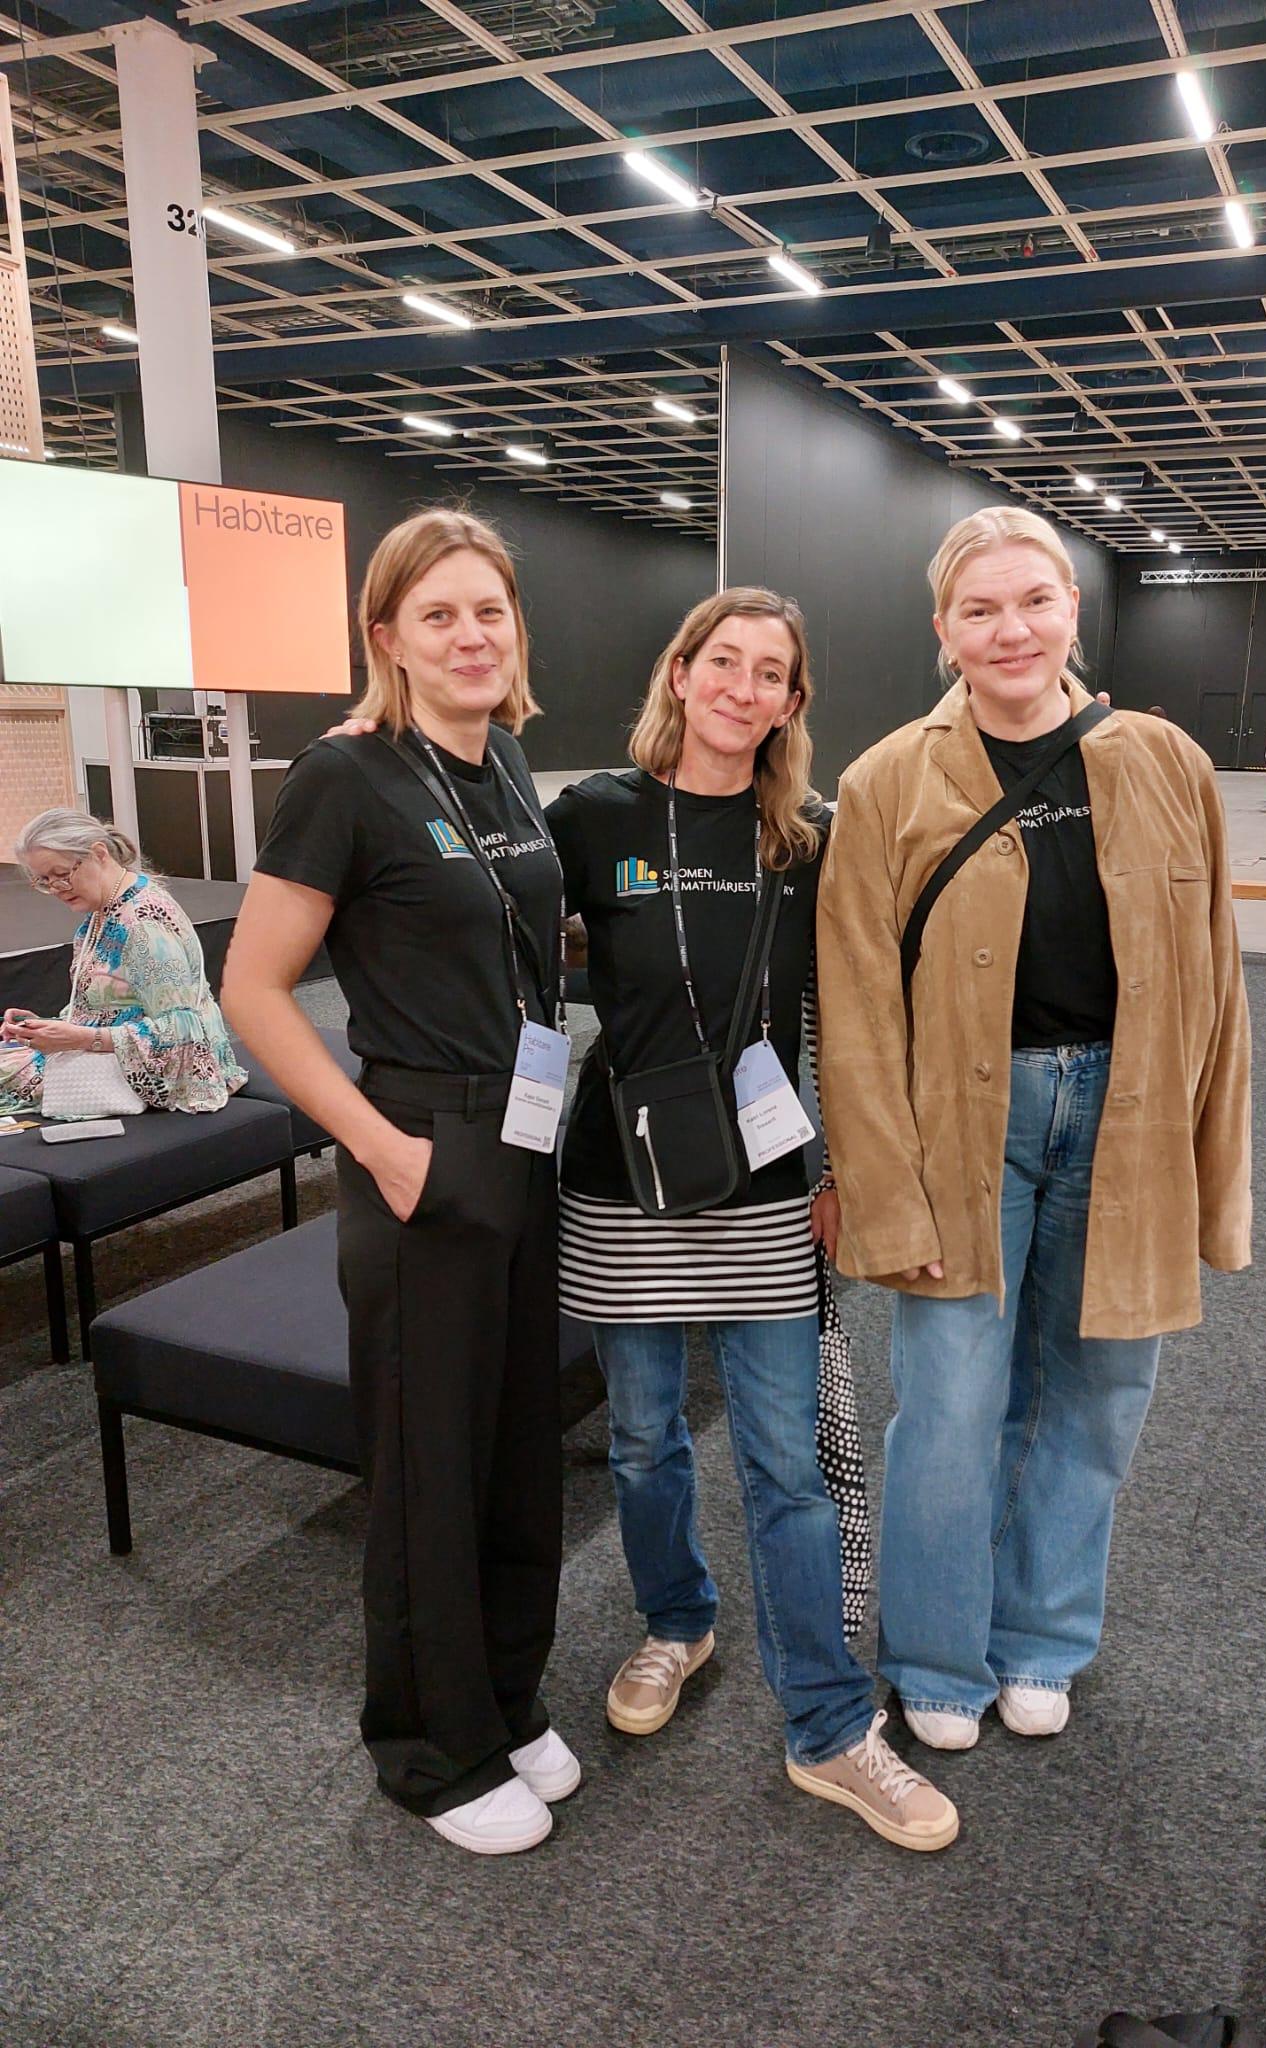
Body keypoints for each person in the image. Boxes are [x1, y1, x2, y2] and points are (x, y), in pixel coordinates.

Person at [817, 505, 1251, 1753]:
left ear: (1072, 610)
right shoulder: (887, 780)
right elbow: (855, 1008)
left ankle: (1044, 1636)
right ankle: (937, 1656)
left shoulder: (1165, 760)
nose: (1011, 629)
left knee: (1099, 1393)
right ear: (943, 629)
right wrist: (882, 1187)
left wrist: (1215, 1165)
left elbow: (1218, 977)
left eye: (1034, 600)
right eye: (980, 608)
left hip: (1130, 1117)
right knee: (952, 1403)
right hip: (963, 1123)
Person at [546, 588, 957, 1853]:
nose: (741, 686)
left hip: (768, 1183)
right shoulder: (595, 814)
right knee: (642, 1439)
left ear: (790, 700)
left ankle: (830, 1724)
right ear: (680, 671)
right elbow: (508, 964)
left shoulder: (805, 836)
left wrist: (844, 1171)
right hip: (623, 1176)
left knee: (786, 1463)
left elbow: (845, 1016)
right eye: (722, 660)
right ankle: (677, 1623)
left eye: (769, 671)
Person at [221, 509, 571, 1857]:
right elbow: (254, 988)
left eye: (490, 610)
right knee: (430, 1467)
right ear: (388, 636)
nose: (472, 635)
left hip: (523, 1137)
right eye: (439, 614)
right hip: (418, 1141)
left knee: (516, 1447)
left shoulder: (503, 759)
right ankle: (431, 1749)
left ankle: (506, 1698)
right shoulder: (345, 775)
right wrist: (377, 1144)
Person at [1, 811, 244, 1115]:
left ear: (98, 853)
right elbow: (112, 1005)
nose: (56, 889)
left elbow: (183, 1034)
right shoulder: (107, 908)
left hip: (163, 1071)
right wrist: (46, 1028)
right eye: (44, 881)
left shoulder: (143, 925)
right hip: (115, 1053)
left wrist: (80, 1038)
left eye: (61, 874)